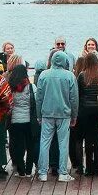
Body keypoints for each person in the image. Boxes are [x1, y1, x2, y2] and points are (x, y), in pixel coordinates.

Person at [35, 50, 78, 182]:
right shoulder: (70, 76)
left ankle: (42, 172)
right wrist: (74, 116)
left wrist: (38, 114)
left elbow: (39, 97)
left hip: (47, 113)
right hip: (64, 114)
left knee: (45, 142)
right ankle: (63, 173)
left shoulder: (43, 75)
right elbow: (74, 99)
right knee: (63, 143)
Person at [6, 56, 36, 176]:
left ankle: (21, 170)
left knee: (18, 146)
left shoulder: (10, 88)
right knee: (30, 145)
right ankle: (29, 170)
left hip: (15, 120)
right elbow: (36, 102)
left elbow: (9, 103)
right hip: (28, 120)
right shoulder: (31, 87)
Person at [76, 52, 98, 176]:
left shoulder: (82, 76)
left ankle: (88, 168)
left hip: (85, 111)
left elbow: (79, 95)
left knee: (87, 139)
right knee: (97, 139)